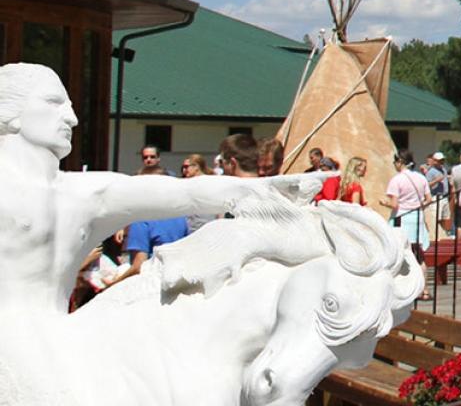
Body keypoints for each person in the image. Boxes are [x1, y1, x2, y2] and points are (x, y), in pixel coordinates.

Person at [0, 62, 322, 320]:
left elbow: (184, 194)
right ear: (12, 111)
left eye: (70, 105)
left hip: (51, 346)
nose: (71, 117)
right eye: (54, 103)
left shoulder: (85, 193)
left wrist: (263, 190)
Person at [384, 149, 434, 262]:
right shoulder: (421, 178)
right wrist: (418, 206)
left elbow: (394, 204)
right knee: (418, 256)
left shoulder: (396, 180)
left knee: (401, 253)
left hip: (401, 218)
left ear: (400, 162)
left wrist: (384, 203)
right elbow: (429, 199)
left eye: (395, 162)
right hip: (417, 218)